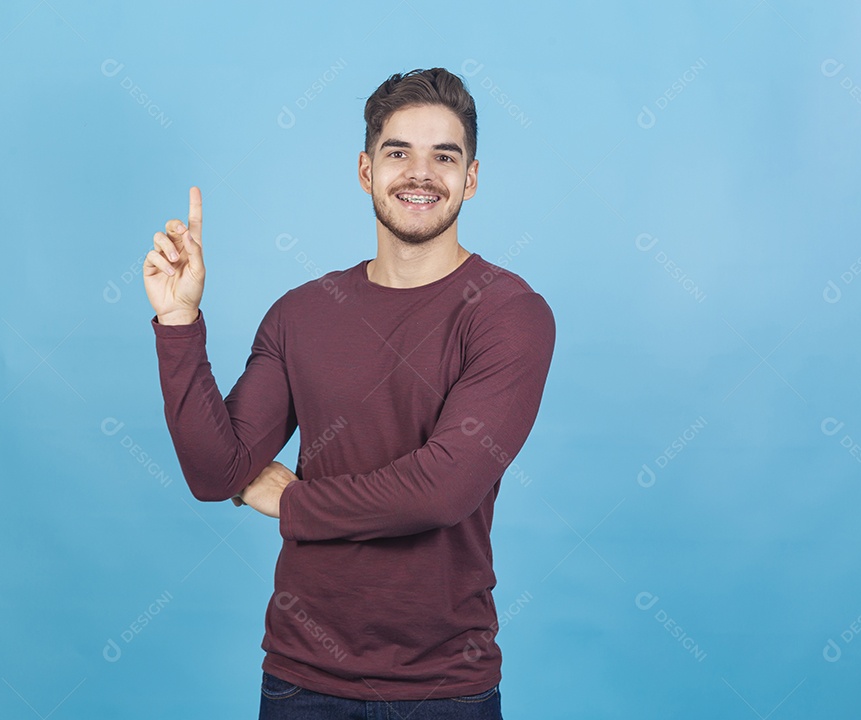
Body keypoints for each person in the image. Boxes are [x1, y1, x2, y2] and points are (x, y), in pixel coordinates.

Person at [143, 67, 555, 720]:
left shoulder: (509, 314)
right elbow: (215, 471)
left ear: (471, 178)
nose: (420, 174)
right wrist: (178, 322)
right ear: (366, 170)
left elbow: (442, 491)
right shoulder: (302, 313)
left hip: (445, 688)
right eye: (399, 153)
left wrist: (293, 502)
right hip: (300, 681)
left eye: (444, 157)